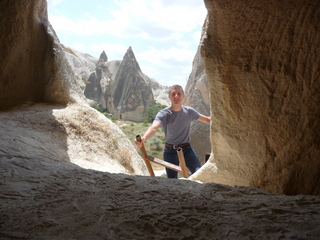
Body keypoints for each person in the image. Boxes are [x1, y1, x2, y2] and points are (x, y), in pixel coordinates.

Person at [135, 84, 211, 178]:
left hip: (186, 148)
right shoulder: (164, 113)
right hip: (170, 151)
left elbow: (207, 120)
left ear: (183, 95)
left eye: (179, 94)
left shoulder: (189, 112)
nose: (176, 96)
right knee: (172, 180)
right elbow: (154, 127)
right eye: (173, 94)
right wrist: (144, 138)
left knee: (198, 173)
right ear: (169, 97)